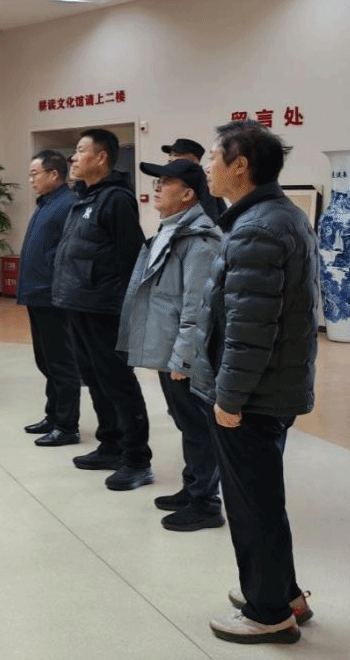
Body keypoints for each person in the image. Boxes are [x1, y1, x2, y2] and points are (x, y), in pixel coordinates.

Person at [199, 120, 318, 645]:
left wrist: (228, 398)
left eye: (213, 157)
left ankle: (268, 612)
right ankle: (284, 594)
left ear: (240, 165)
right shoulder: (277, 215)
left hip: (253, 395)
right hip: (270, 389)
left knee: (252, 506)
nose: (208, 166)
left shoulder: (256, 229)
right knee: (263, 498)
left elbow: (249, 330)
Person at [117, 159, 223, 530]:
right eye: (157, 181)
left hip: (184, 355)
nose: (157, 188)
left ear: (188, 193)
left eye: (166, 182)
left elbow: (197, 307)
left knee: (198, 426)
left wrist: (184, 358)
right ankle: (192, 488)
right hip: (169, 350)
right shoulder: (171, 230)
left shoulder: (200, 242)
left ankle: (206, 503)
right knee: (185, 421)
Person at [52, 128, 152, 490]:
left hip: (105, 308)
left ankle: (137, 460)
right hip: (81, 305)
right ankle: (110, 444)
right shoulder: (85, 197)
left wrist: (124, 308)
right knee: (93, 378)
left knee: (117, 381)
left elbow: (132, 258)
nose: (74, 157)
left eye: (81, 151)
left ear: (102, 157)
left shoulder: (116, 200)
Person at [16, 149, 80, 446]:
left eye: (34, 174)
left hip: (53, 297)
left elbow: (66, 254)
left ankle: (67, 426)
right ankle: (53, 415)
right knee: (46, 361)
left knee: (61, 362)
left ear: (54, 174)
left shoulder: (68, 204)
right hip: (37, 295)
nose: (31, 180)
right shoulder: (46, 203)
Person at [163, 137, 225, 222]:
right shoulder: (182, 180)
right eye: (170, 155)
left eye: (176, 155)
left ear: (195, 160)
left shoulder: (200, 183)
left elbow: (208, 218)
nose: (170, 159)